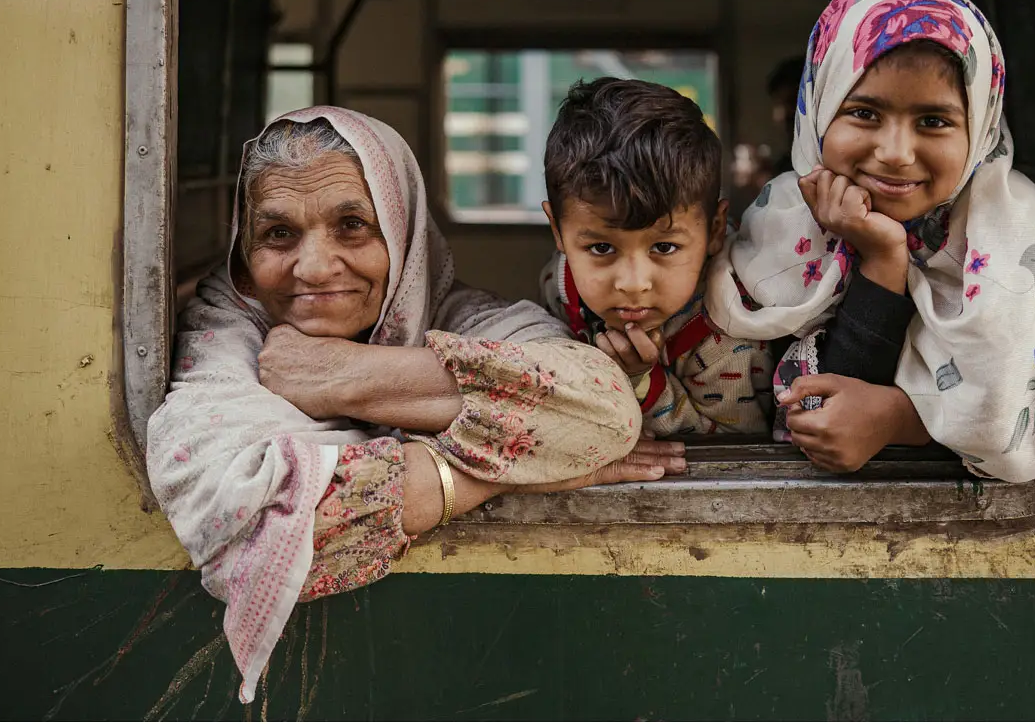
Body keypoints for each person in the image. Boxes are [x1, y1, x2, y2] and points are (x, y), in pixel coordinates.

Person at [148, 107, 683, 703]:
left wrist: (342, 375)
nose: (315, 267)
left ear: (403, 233)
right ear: (245, 257)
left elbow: (603, 405)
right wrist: (512, 469)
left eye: (353, 225)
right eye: (278, 234)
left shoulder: (461, 317)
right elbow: (268, 522)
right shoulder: (226, 331)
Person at [704, 0, 1035, 483]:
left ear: (981, 126)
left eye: (933, 121)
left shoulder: (1013, 239)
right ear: (818, 111)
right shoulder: (781, 220)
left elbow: (1006, 418)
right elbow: (810, 412)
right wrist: (883, 260)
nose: (896, 154)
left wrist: (900, 419)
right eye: (863, 112)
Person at [539, 79, 774, 435]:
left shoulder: (729, 336)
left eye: (664, 247)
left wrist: (644, 386)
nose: (634, 284)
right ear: (558, 232)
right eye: (602, 248)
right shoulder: (559, 284)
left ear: (714, 230)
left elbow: (737, 451)